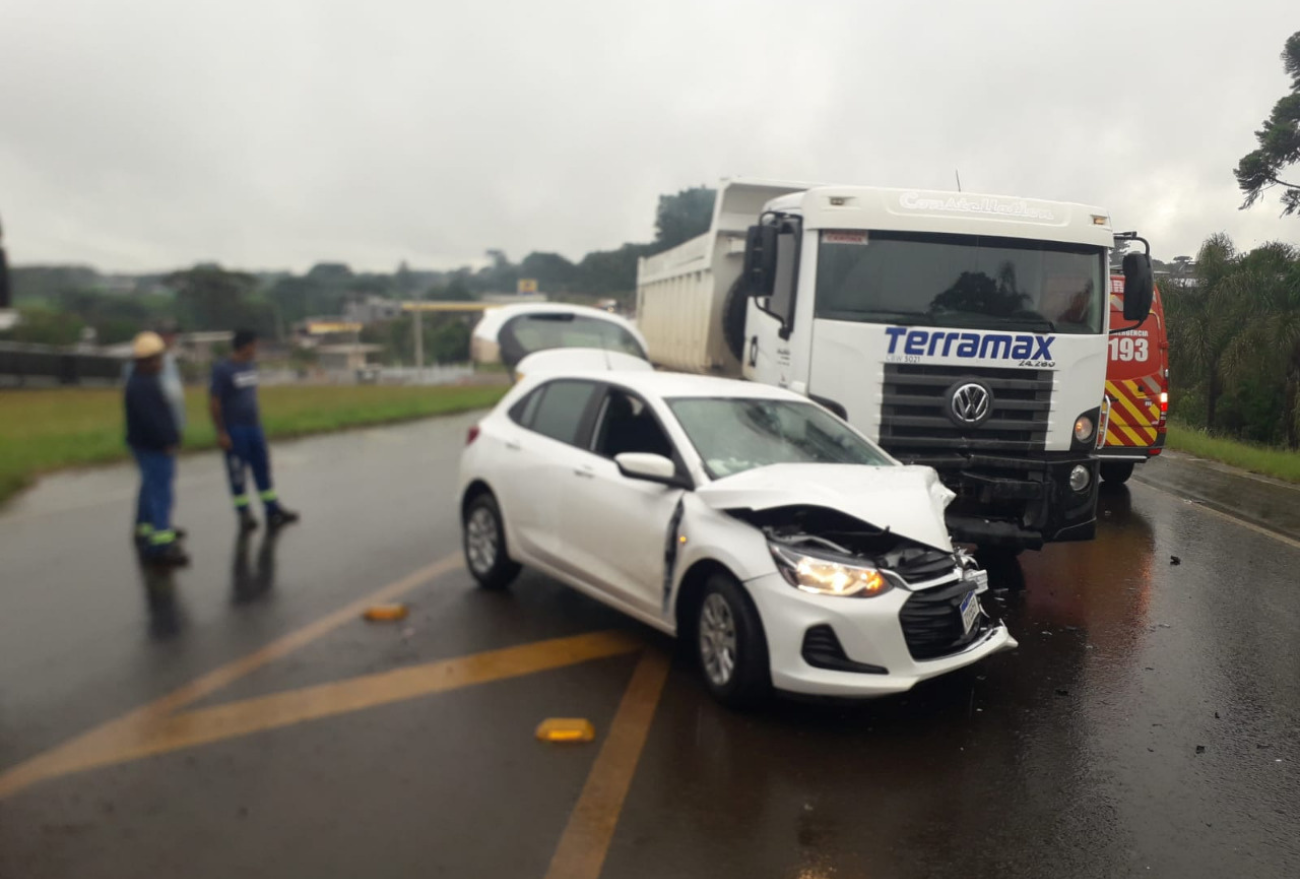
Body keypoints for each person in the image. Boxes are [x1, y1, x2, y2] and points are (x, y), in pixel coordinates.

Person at [210, 329, 300, 531]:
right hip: (234, 429)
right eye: (254, 345)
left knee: (262, 468)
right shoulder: (223, 369)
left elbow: (251, 396)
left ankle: (272, 509)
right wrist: (221, 432)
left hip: (254, 428)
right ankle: (244, 513)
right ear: (244, 346)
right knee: (238, 473)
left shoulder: (250, 366)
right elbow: (215, 401)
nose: (256, 349)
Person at [125, 332, 189, 566]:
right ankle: (161, 544)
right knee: (161, 493)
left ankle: (144, 528)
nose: (161, 364)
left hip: (143, 445)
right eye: (158, 359)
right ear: (147, 361)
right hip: (154, 447)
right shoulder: (144, 386)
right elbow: (154, 421)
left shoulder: (139, 380)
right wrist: (169, 441)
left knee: (149, 487)